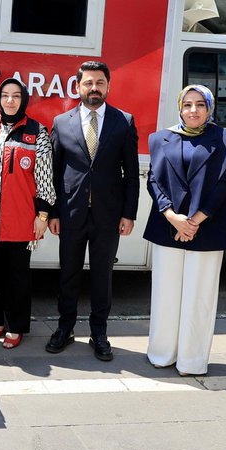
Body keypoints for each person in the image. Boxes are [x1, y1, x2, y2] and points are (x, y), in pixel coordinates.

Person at [143, 85, 226, 375]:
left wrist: (194, 221)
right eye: (187, 104)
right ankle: (161, 353)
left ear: (210, 108)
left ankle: (192, 361)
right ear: (180, 107)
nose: (193, 110)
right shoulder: (160, 139)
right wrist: (172, 216)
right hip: (167, 226)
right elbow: (154, 181)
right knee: (165, 293)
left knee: (199, 297)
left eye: (200, 104)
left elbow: (224, 184)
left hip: (208, 228)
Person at [46, 60, 139, 360]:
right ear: (78, 87)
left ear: (108, 86)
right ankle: (65, 328)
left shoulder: (123, 121)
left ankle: (99, 333)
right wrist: (53, 213)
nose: (94, 88)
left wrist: (129, 213)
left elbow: (131, 172)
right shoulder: (61, 123)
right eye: (88, 83)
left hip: (108, 216)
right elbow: (53, 173)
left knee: (103, 277)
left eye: (99, 82)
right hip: (71, 215)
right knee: (68, 275)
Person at [0, 77, 55, 349]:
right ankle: (0, 321)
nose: (10, 100)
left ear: (24, 99)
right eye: (5, 95)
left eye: (16, 96)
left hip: (22, 218)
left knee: (18, 274)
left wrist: (42, 216)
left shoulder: (37, 131)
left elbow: (45, 177)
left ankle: (17, 325)